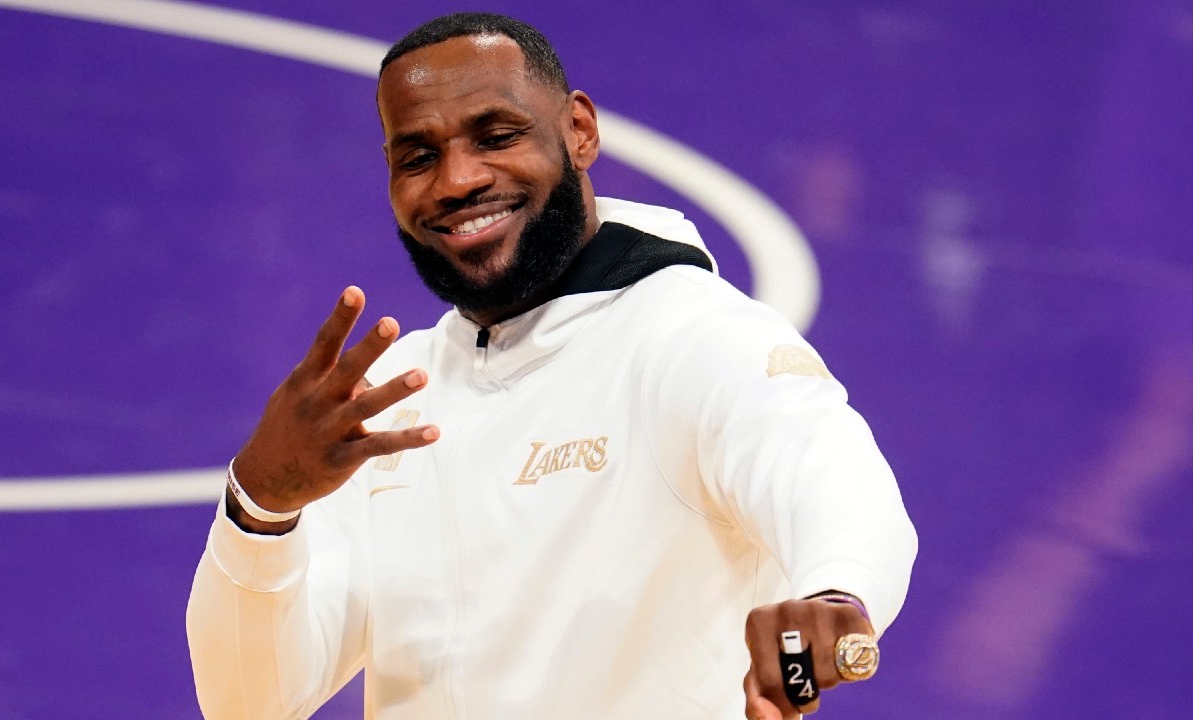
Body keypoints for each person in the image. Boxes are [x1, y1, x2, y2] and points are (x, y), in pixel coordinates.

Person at [186, 12, 917, 720]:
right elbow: (249, 704)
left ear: (579, 130)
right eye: (418, 156)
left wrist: (834, 595)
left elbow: (830, 476)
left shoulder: (694, 336)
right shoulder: (390, 399)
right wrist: (261, 510)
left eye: (496, 136)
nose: (456, 181)